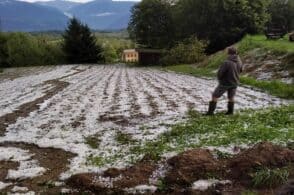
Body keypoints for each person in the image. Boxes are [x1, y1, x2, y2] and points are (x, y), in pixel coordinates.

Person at [206, 47, 243, 115]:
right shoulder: (239, 61)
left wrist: (220, 79)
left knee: (215, 95)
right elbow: (240, 70)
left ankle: (210, 113)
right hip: (235, 82)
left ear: (228, 53)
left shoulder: (226, 62)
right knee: (231, 97)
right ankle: (230, 112)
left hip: (225, 83)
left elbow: (220, 73)